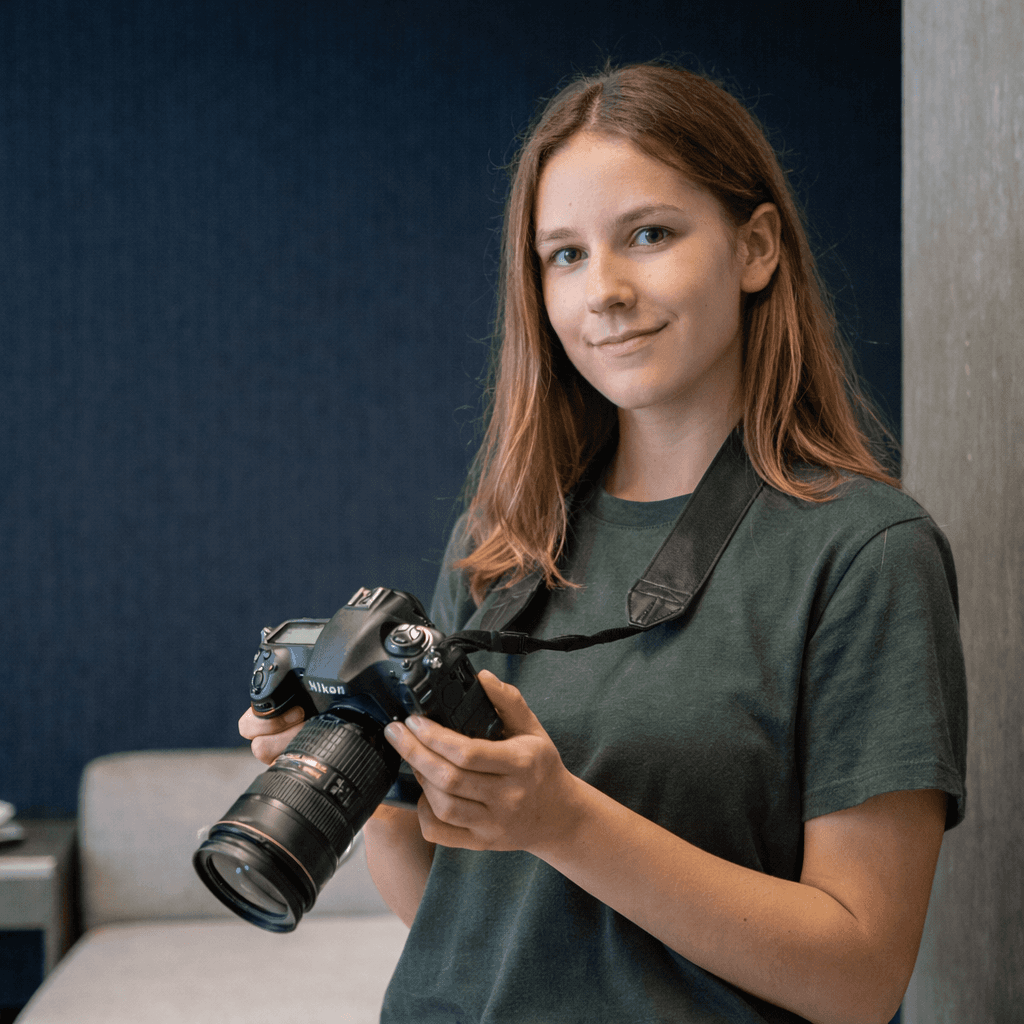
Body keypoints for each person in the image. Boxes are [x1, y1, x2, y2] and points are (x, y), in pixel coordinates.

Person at [240, 62, 967, 1024]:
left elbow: (861, 977)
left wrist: (564, 821)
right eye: (565, 255)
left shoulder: (865, 553)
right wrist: (359, 767)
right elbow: (457, 916)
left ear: (756, 249)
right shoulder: (504, 540)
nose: (606, 291)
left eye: (650, 235)